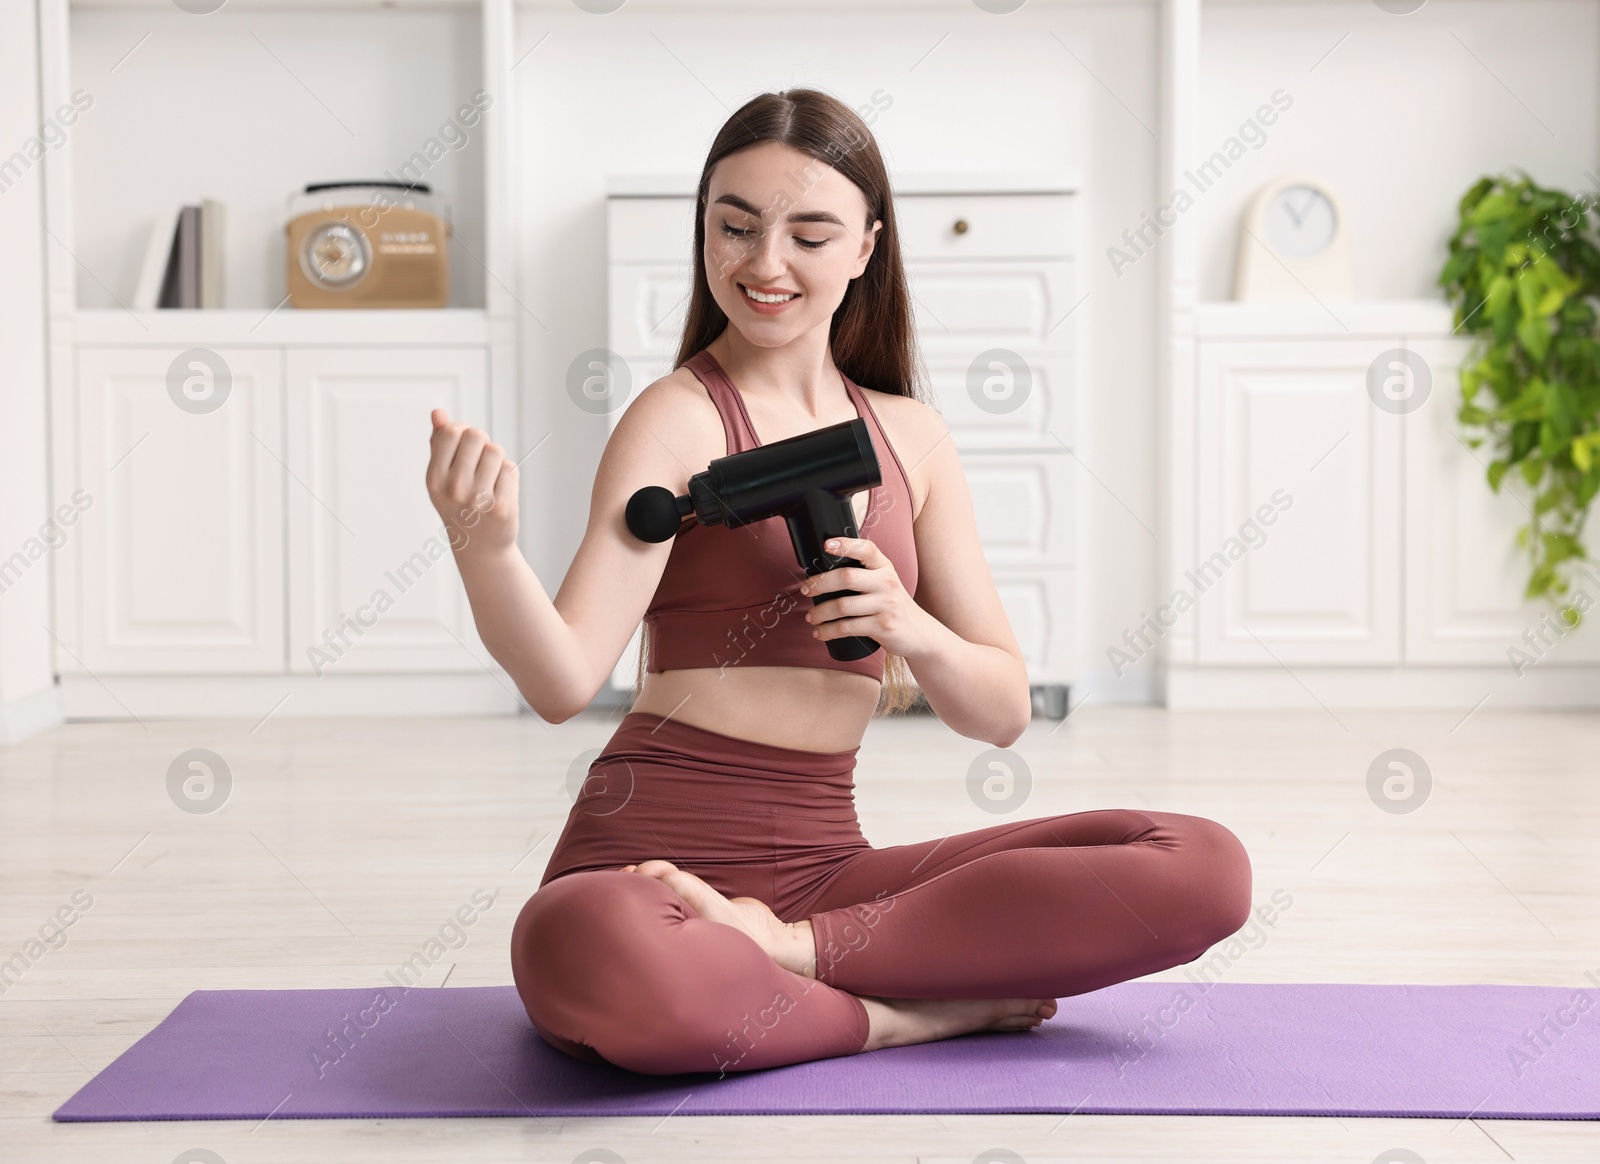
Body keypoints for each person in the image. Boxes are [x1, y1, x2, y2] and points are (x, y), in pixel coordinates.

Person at [424, 88, 1252, 1077]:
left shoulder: (912, 439)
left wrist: (912, 628)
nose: (764, 264)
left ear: (866, 245)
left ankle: (799, 963)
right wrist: (485, 551)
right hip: (646, 864)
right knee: (592, 944)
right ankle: (908, 1016)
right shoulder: (678, 418)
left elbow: (998, 712)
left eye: (808, 234)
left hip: (823, 878)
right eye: (734, 228)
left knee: (1202, 867)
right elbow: (561, 682)